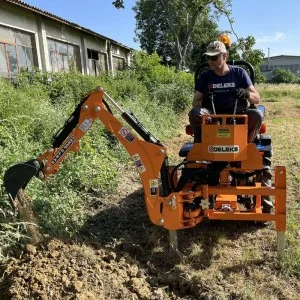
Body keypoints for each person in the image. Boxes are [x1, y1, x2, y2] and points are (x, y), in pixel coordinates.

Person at [189, 40, 263, 143]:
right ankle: (201, 145)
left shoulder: (239, 73)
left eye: (214, 57)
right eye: (208, 57)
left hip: (238, 116)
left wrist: (247, 94)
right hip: (212, 117)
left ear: (224, 56)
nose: (210, 61)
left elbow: (257, 99)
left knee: (257, 115)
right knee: (195, 113)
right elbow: (196, 102)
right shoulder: (204, 77)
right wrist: (203, 105)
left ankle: (247, 145)